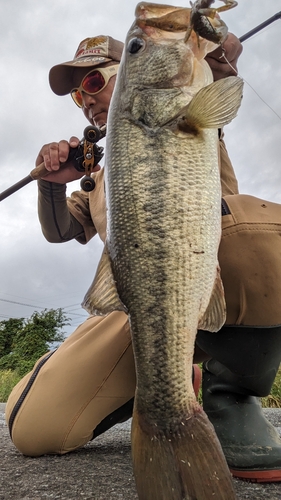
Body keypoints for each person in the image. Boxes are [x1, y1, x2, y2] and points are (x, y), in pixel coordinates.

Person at [5, 34, 281, 483]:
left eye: (94, 80)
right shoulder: (98, 173)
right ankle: (165, 383)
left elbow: (224, 55)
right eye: (78, 94)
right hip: (144, 305)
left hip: (212, 279)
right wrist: (52, 184)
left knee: (259, 228)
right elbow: (59, 232)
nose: (86, 99)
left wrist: (204, 36)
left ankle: (231, 393)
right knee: (33, 429)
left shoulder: (187, 112)